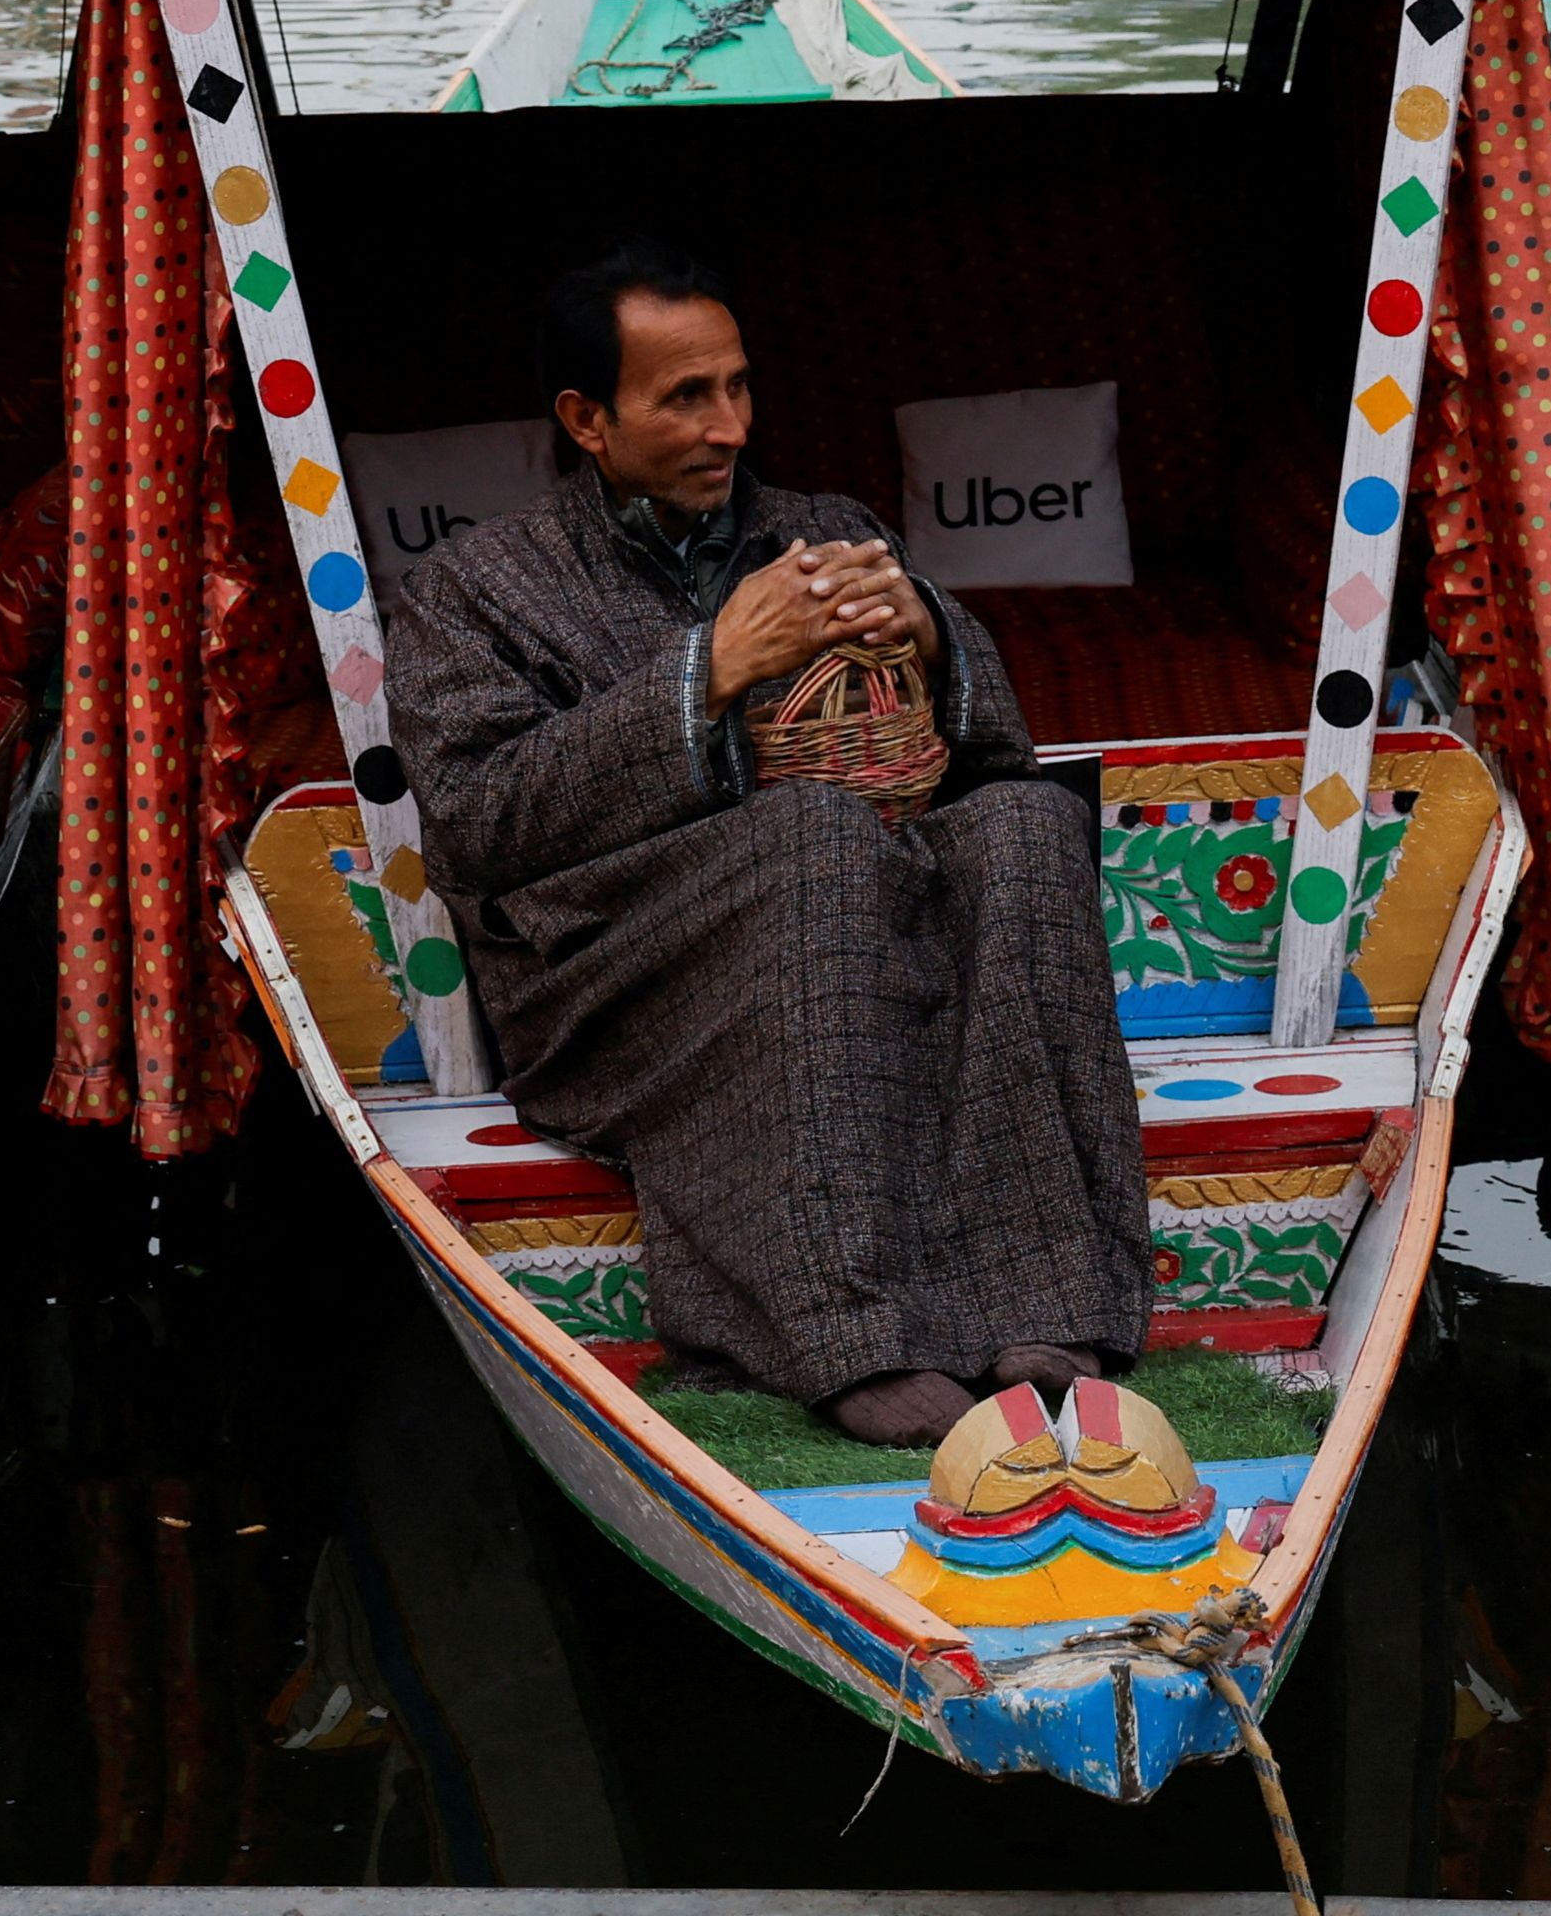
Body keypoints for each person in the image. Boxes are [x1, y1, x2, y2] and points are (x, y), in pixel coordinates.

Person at [388, 237, 1150, 1450]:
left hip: (862, 896)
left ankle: (1052, 1302)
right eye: (686, 396)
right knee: (812, 836)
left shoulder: (824, 528)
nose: (730, 426)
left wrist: (934, 634)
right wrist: (710, 670)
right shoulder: (472, 588)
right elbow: (481, 823)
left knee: (1025, 825)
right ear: (587, 419)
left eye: (739, 386)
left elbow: (987, 754)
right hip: (607, 972)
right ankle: (847, 1332)